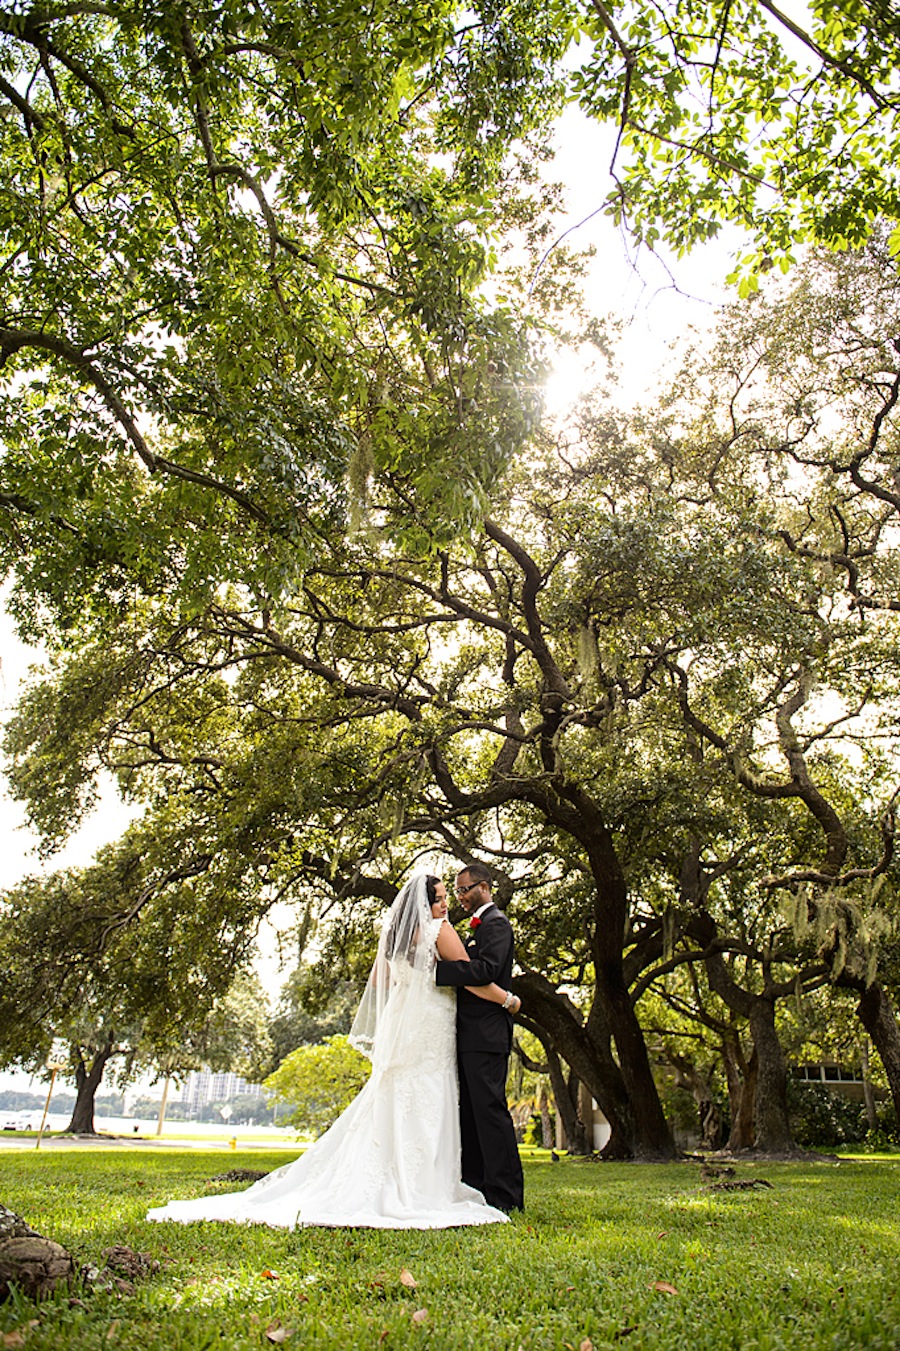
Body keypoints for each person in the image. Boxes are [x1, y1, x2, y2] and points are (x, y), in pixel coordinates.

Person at [147, 872, 520, 1229]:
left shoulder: (394, 939)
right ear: (427, 904)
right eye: (440, 898)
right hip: (432, 1028)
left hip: (407, 1030)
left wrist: (410, 996)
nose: (446, 905)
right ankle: (427, 1184)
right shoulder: (441, 930)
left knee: (400, 1100)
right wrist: (507, 999)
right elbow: (473, 977)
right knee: (430, 1097)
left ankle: (404, 1178)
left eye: (448, 898)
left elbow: (380, 982)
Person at [434, 862, 525, 1213]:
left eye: (464, 890)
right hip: (469, 1034)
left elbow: (487, 969)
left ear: (484, 887)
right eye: (456, 892)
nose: (460, 898)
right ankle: (477, 1189)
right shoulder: (474, 926)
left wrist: (439, 971)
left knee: (490, 1114)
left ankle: (506, 1196)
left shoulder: (497, 924)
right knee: (470, 1116)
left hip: (487, 1035)